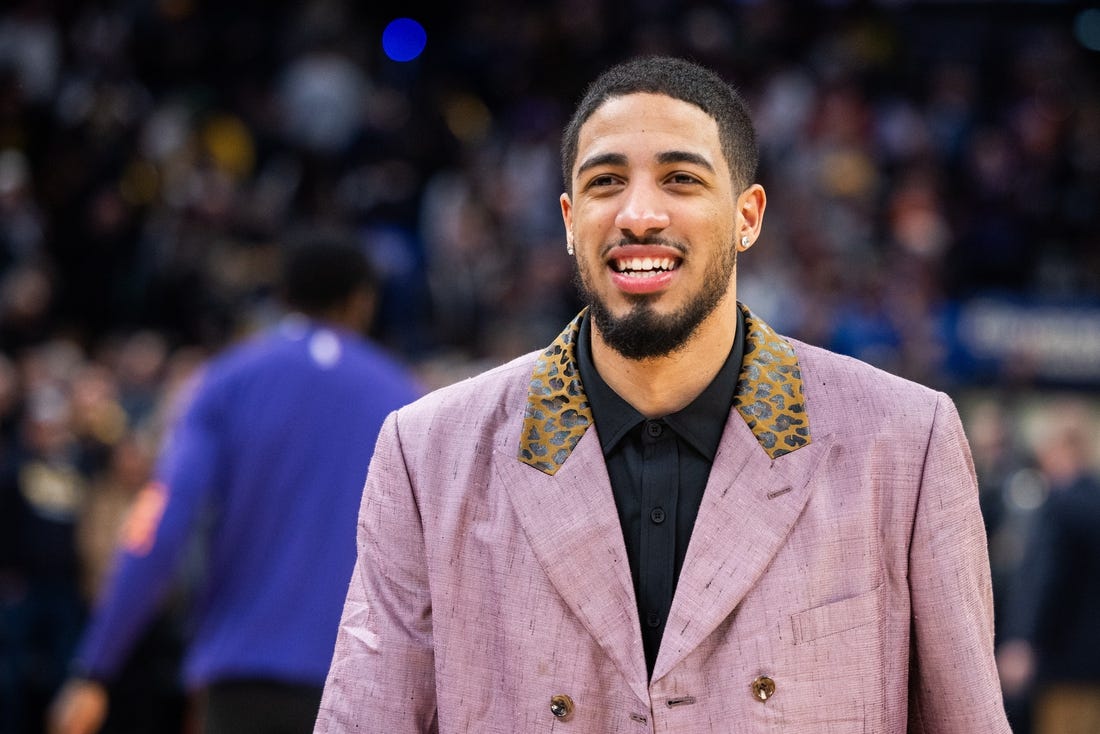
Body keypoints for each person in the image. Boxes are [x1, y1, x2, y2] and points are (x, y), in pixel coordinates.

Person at [315, 56, 1011, 732]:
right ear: (566, 218)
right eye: (606, 182)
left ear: (748, 216)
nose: (639, 215)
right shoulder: (428, 453)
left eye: (680, 178)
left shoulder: (903, 443)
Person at [48, 237, 424, 734]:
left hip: (243, 675)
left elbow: (160, 523)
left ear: (283, 296)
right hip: (368, 680)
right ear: (363, 301)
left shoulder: (225, 381)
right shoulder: (406, 399)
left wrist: (94, 667)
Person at [997, 399, 1100, 734]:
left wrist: (1023, 641)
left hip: (1062, 663)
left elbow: (1044, 580)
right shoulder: (1093, 502)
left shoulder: (1060, 505)